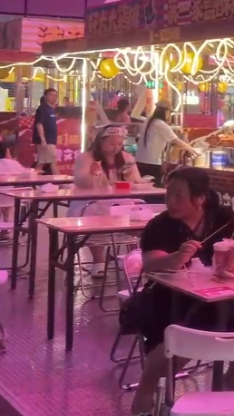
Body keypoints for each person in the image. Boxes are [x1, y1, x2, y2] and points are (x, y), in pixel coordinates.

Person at [129, 167, 234, 416]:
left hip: (222, 296)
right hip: (171, 299)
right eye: (169, 194)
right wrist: (176, 258)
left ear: (200, 198)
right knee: (175, 343)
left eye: (178, 195)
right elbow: (151, 264)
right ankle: (144, 399)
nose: (171, 201)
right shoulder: (159, 226)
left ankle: (233, 376)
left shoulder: (223, 217)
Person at [72, 125, 142, 277]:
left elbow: (137, 182)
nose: (115, 148)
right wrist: (92, 174)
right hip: (92, 201)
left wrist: (130, 177)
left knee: (136, 213)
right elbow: (80, 182)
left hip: (120, 200)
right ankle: (99, 261)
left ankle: (134, 258)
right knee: (93, 215)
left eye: (119, 144)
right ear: (100, 141)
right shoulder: (86, 158)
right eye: (111, 143)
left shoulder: (127, 158)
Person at [136, 101, 198, 186]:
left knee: (142, 188)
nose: (169, 115)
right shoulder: (161, 125)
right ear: (166, 112)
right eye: (169, 112)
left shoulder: (147, 121)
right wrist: (192, 149)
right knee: (154, 189)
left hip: (139, 161)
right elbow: (176, 141)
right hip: (152, 164)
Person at [32, 88, 58, 175]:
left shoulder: (51, 109)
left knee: (43, 163)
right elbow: (39, 124)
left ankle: (32, 180)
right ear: (45, 96)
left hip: (50, 141)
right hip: (46, 141)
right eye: (51, 95)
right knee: (51, 162)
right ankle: (60, 181)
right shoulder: (43, 109)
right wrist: (43, 139)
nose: (54, 97)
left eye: (55, 95)